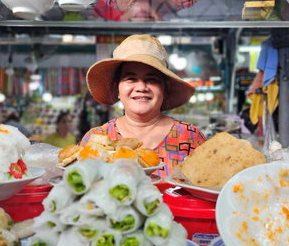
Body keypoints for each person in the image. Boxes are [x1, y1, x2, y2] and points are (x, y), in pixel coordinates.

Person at [82, 34, 206, 177]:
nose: (141, 87)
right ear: (117, 89)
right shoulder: (96, 140)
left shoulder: (189, 137)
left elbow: (209, 186)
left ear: (165, 89)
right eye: (131, 79)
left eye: (152, 80)